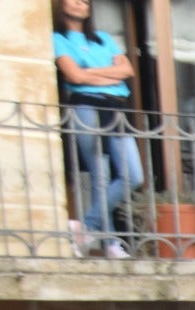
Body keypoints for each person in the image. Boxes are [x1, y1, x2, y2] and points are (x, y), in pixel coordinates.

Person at [53, 0, 142, 259]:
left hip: (115, 109)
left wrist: (89, 71)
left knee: (133, 175)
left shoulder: (103, 38)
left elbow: (127, 71)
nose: (81, 4)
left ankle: (85, 226)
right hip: (86, 107)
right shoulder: (58, 38)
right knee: (99, 177)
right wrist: (107, 75)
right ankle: (111, 244)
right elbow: (74, 77)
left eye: (85, 1)